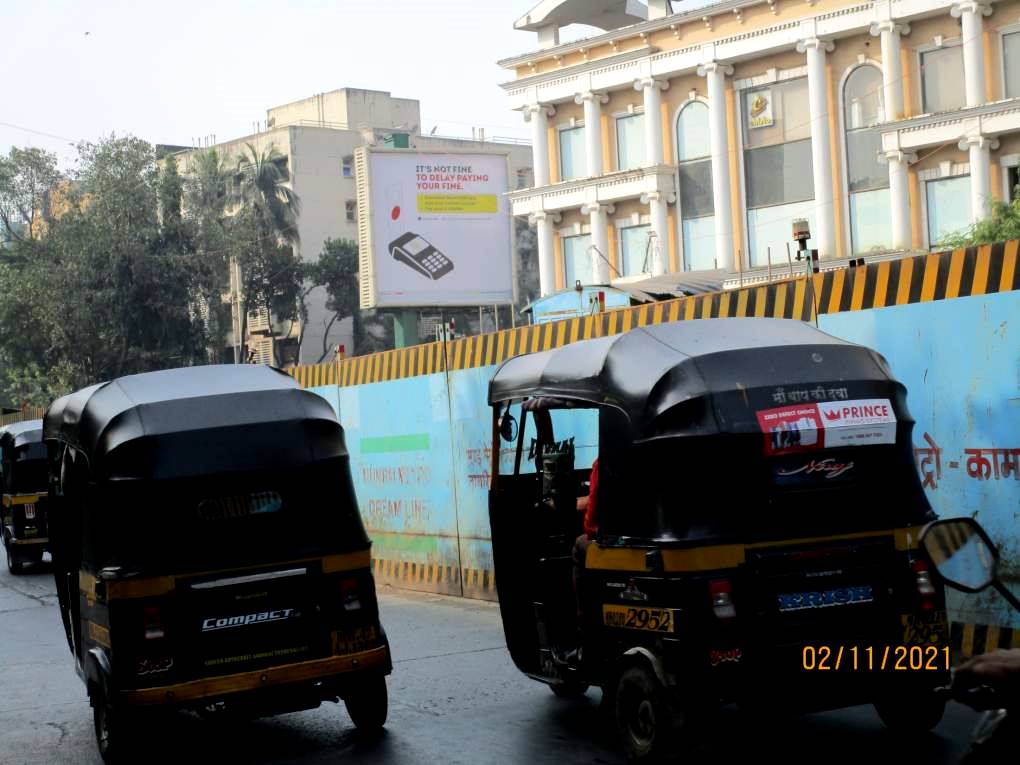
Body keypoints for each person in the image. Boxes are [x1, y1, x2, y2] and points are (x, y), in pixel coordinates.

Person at [572, 457, 599, 619]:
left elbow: (593, 512)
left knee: (579, 545)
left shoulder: (605, 461)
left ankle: (584, 619)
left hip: (618, 538)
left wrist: (590, 530)